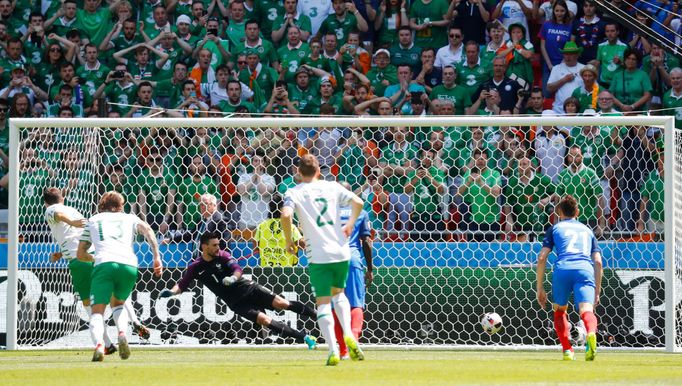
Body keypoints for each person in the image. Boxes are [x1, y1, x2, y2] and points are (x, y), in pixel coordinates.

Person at [158, 231, 318, 348]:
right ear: (204, 246)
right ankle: (305, 338)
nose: (217, 247)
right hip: (236, 302)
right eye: (214, 245)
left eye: (218, 244)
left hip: (249, 289)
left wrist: (234, 278)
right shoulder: (195, 267)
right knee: (265, 320)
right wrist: (171, 292)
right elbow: (182, 284)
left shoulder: (224, 255)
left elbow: (237, 269)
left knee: (282, 303)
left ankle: (319, 316)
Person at [281, 154, 365, 366]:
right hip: (341, 251)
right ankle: (348, 333)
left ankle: (333, 350)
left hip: (318, 254)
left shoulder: (294, 191)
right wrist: (350, 224)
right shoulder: (332, 187)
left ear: (298, 173)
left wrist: (289, 241)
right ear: (319, 171)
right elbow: (358, 201)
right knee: (340, 295)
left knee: (323, 302)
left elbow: (285, 215)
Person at [77, 191, 162, 362]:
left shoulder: (93, 220)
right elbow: (148, 231)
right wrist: (156, 256)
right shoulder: (130, 218)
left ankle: (100, 346)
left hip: (104, 264)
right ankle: (122, 333)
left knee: (97, 312)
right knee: (118, 304)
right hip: (129, 264)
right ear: (121, 206)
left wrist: (95, 259)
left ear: (101, 206)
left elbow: (80, 253)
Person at [536, 195, 602, 361]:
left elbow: (542, 257)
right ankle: (591, 334)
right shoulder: (587, 230)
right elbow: (598, 262)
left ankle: (567, 350)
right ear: (577, 212)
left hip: (563, 269)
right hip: (584, 270)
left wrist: (540, 288)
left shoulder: (555, 229)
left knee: (559, 311)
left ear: (559, 212)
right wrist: (597, 291)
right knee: (586, 310)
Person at [333, 181, 374, 360]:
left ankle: (342, 351)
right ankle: (354, 339)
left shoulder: (327, 213)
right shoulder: (361, 213)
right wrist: (370, 268)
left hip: (332, 261)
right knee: (356, 304)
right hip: (353, 258)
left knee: (336, 305)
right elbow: (366, 242)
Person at [254, 194, 304, 267]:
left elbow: (255, 247)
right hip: (288, 271)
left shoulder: (261, 226)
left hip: (266, 270)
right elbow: (303, 245)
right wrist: (303, 232)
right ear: (282, 208)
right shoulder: (291, 227)